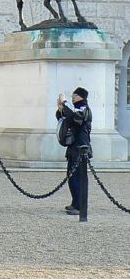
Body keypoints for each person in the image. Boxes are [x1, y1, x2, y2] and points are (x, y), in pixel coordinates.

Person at [56, 87, 92, 215]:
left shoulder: (84, 109)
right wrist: (60, 110)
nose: (73, 97)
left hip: (81, 148)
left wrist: (64, 105)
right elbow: (66, 120)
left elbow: (76, 119)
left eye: (75, 95)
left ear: (81, 97)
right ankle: (75, 202)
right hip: (73, 147)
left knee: (78, 177)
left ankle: (80, 206)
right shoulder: (76, 109)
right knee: (71, 176)